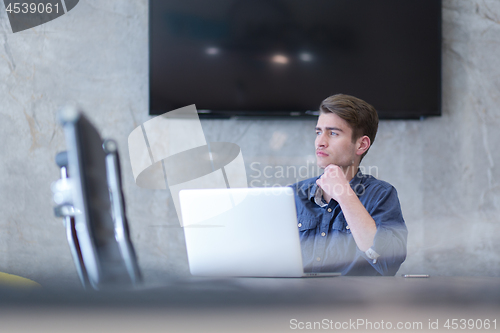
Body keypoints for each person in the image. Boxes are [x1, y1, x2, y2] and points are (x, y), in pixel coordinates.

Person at [291, 94, 407, 276]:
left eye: (333, 133)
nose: (320, 142)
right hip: (295, 301)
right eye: (318, 132)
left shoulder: (381, 194)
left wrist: (345, 194)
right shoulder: (293, 194)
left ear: (361, 145)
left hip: (354, 303)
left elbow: (389, 263)